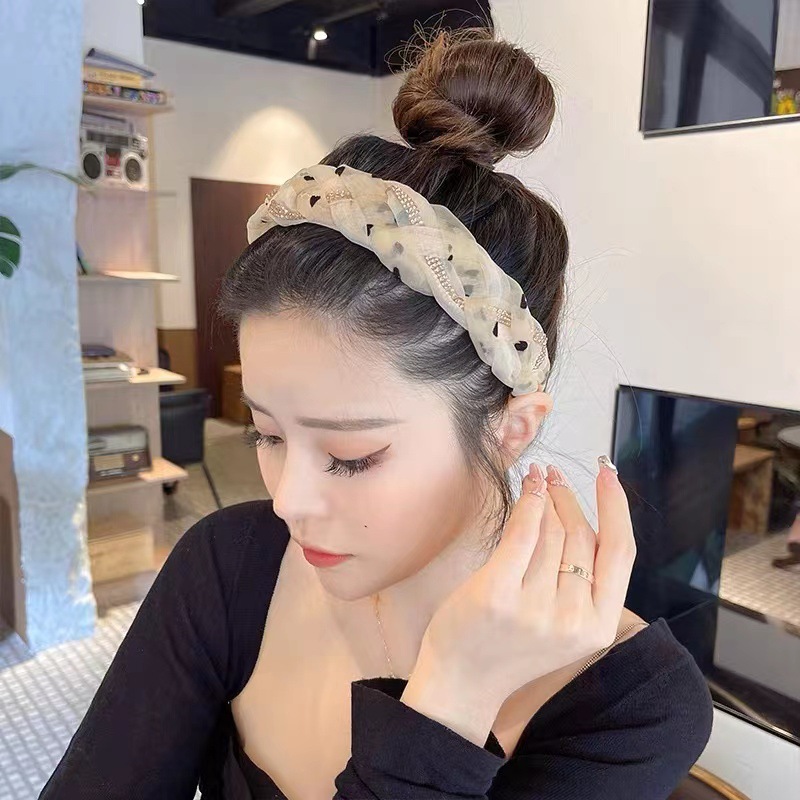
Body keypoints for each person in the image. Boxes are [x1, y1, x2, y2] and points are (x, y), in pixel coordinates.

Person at [39, 25, 714, 800]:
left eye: (350, 457)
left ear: (511, 427)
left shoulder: (629, 706)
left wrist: (452, 701)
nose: (287, 501)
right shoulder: (227, 566)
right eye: (265, 433)